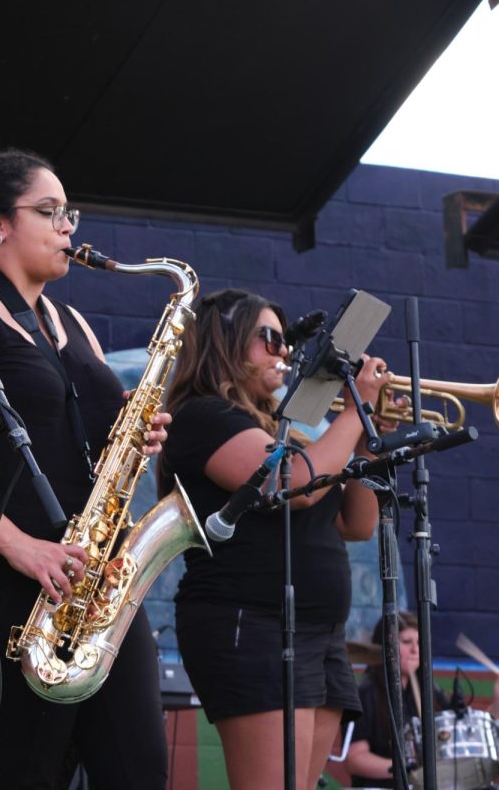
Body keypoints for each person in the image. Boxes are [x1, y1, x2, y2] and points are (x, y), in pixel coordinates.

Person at [0, 148, 171, 789]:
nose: (67, 227)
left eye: (68, 213)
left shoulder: (71, 322)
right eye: (49, 212)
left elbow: (81, 441)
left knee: (139, 769)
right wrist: (21, 550)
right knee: (28, 770)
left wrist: (130, 432)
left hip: (86, 576)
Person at [159, 288, 388, 790]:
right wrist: (354, 412)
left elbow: (358, 524)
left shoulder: (292, 433)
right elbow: (289, 485)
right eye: (269, 339)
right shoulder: (201, 416)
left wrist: (372, 434)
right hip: (252, 624)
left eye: (285, 341)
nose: (284, 353)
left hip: (319, 631)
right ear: (225, 342)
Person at [344, 611, 499, 788]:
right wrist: (410, 768)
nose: (415, 650)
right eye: (406, 642)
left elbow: (464, 738)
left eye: (419, 643)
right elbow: (355, 759)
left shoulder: (430, 691)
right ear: (385, 648)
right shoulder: (366, 693)